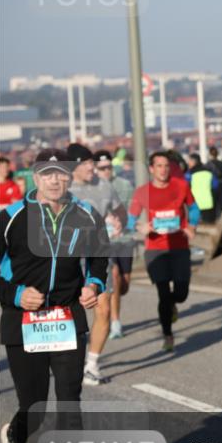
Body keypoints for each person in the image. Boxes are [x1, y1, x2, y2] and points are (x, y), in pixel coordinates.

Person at [0, 148, 108, 443]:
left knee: (69, 399)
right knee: (34, 408)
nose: (55, 180)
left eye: (61, 172)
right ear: (36, 177)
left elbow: (99, 259)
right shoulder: (11, 217)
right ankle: (14, 439)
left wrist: (93, 284)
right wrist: (17, 294)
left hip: (66, 317)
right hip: (24, 321)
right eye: (48, 173)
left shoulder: (87, 215)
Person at [65, 143, 126, 386]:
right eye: (86, 163)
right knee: (70, 312)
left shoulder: (104, 186)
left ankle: (92, 364)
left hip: (99, 256)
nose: (92, 167)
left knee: (103, 310)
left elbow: (121, 211)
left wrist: (119, 221)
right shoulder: (62, 189)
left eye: (92, 162)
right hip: (69, 258)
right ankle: (68, 358)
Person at [128, 151, 199, 352]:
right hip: (155, 250)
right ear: (151, 169)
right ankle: (168, 334)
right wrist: (140, 228)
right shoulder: (142, 192)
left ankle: (174, 304)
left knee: (181, 293)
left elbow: (194, 209)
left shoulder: (182, 186)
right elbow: (130, 219)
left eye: (166, 166)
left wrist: (192, 226)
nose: (163, 170)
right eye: (158, 166)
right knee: (163, 293)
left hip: (179, 246)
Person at [93, 150, 134, 340]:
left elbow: (132, 211)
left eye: (108, 167)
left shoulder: (124, 185)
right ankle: (115, 321)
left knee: (124, 284)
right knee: (114, 275)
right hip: (103, 243)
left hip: (124, 240)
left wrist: (125, 223)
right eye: (101, 169)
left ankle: (114, 309)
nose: (106, 171)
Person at [186, 153, 220, 225]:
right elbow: (216, 186)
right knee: (209, 228)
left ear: (194, 162)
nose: (188, 163)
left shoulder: (189, 175)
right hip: (208, 204)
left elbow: (184, 188)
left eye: (189, 161)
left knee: (196, 229)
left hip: (195, 206)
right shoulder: (209, 173)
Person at [206, 146, 222, 219]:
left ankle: (216, 221)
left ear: (210, 154)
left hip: (212, 186)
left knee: (214, 206)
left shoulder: (208, 165)